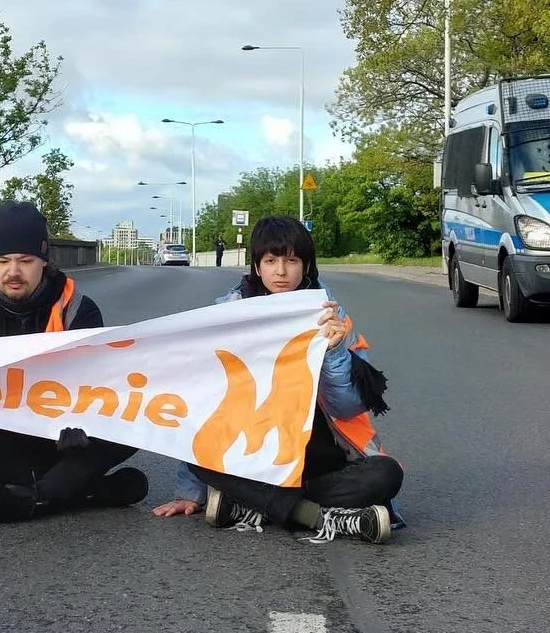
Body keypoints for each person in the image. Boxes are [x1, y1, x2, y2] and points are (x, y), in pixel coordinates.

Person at [152, 214, 401, 544]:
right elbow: (203, 401)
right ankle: (321, 516)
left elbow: (346, 408)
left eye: (292, 260)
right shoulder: (229, 315)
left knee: (386, 474)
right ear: (257, 266)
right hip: (255, 455)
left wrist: (336, 353)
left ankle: (254, 506)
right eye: (270, 261)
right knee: (203, 461)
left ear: (307, 266)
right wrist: (190, 492)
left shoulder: (332, 316)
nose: (281, 272)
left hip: (319, 459)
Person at [0, 202, 148, 523]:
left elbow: (100, 384)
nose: (13, 272)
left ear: (44, 261)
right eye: (2, 261)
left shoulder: (79, 311)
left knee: (135, 423)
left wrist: (84, 424)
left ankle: (35, 497)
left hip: (59, 445)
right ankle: (80, 492)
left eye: (25, 261)